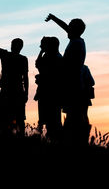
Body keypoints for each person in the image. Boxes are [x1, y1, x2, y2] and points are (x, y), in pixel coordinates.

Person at [45, 14, 90, 145]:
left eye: (70, 27)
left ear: (74, 30)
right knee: (74, 115)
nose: (67, 29)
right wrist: (53, 18)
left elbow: (68, 64)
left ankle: (74, 142)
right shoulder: (77, 40)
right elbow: (65, 27)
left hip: (73, 85)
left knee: (74, 116)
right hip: (73, 84)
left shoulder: (76, 44)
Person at [34, 36, 63, 140]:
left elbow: (39, 65)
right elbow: (38, 64)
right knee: (47, 120)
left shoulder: (54, 57)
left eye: (43, 45)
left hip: (50, 94)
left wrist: (41, 77)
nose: (41, 47)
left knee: (53, 121)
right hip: (45, 92)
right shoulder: (50, 56)